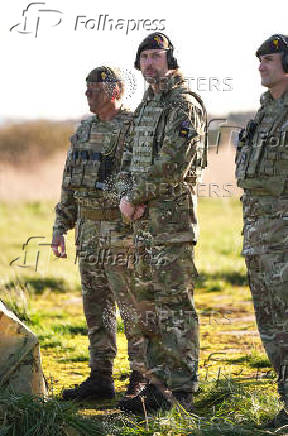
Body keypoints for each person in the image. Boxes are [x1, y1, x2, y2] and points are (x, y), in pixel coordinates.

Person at [119, 33, 207, 413]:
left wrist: (135, 198)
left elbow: (173, 164)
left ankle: (181, 391)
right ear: (138, 64)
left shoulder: (182, 105)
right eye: (145, 57)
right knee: (148, 309)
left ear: (170, 61)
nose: (151, 62)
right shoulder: (144, 108)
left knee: (175, 308)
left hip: (170, 227)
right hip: (142, 227)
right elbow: (127, 163)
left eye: (158, 55)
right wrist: (125, 198)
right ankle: (156, 389)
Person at [52, 66, 146, 401]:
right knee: (96, 307)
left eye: (96, 88)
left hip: (122, 232)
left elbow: (142, 177)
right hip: (89, 231)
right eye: (87, 88)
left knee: (130, 306)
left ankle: (141, 378)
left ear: (116, 91)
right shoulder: (83, 131)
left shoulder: (134, 127)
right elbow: (69, 182)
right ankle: (100, 377)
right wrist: (60, 226)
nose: (89, 94)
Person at [235, 34, 288, 428]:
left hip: (284, 237)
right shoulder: (263, 113)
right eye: (260, 60)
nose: (261, 66)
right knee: (270, 323)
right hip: (258, 237)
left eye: (268, 59)